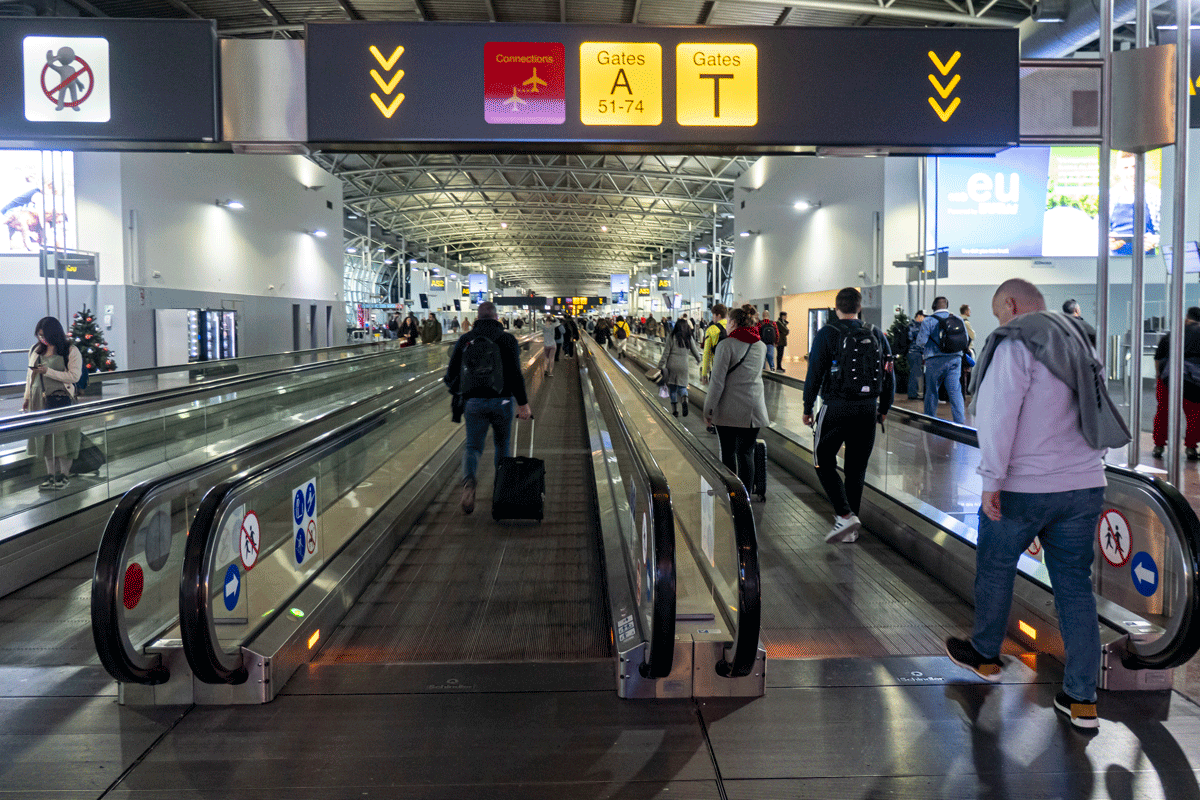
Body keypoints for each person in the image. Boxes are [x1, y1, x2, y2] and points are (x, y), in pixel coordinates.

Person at [945, 278, 1130, 732]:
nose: (1000, 322)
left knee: (995, 565)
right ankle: (1081, 699)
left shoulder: (1015, 344)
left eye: (999, 313)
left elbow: (998, 415)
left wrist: (991, 480)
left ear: (1010, 305)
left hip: (1024, 487)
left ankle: (987, 655)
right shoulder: (1083, 341)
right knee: (1073, 585)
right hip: (1085, 483)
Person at [802, 288, 894, 543]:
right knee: (856, 469)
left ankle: (844, 515)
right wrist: (884, 407)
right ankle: (850, 531)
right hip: (867, 409)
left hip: (836, 407)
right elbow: (889, 372)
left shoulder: (828, 333)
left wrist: (807, 407)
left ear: (836, 307)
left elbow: (814, 374)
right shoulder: (875, 333)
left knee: (822, 459)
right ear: (859, 307)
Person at [444, 302, 533, 515]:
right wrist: (523, 403)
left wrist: (462, 392)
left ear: (477, 317)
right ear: (496, 317)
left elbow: (450, 376)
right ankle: (500, 490)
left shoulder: (465, 340)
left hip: (473, 403)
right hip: (502, 401)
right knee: (502, 445)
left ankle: (469, 484)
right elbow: (514, 374)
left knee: (473, 447)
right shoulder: (506, 339)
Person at [703, 306, 770, 494]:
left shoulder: (725, 345)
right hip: (753, 410)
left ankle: (730, 493)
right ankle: (745, 496)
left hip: (728, 411)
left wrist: (708, 410)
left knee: (728, 453)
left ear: (732, 323)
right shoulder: (761, 346)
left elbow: (717, 382)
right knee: (746, 454)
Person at [23, 316, 82, 490]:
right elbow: (29, 377)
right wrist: (26, 397)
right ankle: (51, 475)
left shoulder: (70, 351)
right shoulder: (35, 350)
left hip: (60, 399)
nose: (42, 339)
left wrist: (48, 371)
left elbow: (74, 376)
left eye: (44, 335)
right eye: (39, 335)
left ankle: (63, 475)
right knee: (46, 439)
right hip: (38, 400)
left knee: (64, 439)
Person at [1151, 306, 1200, 459]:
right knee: (1194, 414)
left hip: (1169, 377)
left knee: (1163, 411)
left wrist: (1159, 376)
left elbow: (1158, 358)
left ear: (1187, 317)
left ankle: (1159, 446)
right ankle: (1191, 448)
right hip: (1193, 381)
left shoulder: (1172, 334)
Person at [916, 296, 967, 424]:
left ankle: (929, 419)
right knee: (955, 391)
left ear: (934, 306)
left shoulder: (928, 321)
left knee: (932, 391)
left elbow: (921, 342)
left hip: (934, 360)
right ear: (947, 305)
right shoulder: (958, 319)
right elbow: (965, 339)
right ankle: (960, 422)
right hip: (955, 359)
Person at [658, 316, 701, 416]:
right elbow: (695, 351)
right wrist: (699, 360)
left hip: (671, 365)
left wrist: (659, 366)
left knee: (672, 389)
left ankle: (675, 411)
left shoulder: (671, 336)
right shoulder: (689, 337)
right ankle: (684, 399)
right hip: (684, 366)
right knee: (682, 387)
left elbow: (666, 353)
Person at [700, 303, 728, 385]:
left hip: (717, 369)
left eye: (713, 315)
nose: (712, 317)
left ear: (718, 315)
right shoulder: (732, 327)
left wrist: (704, 373)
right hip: (732, 369)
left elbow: (707, 353)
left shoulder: (711, 329)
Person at [906, 311, 925, 400]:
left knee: (914, 372)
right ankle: (913, 394)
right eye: (923, 317)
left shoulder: (912, 325)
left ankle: (913, 393)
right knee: (915, 373)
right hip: (915, 352)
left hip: (913, 352)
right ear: (919, 316)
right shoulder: (915, 326)